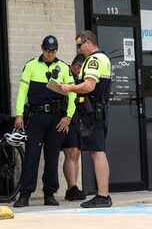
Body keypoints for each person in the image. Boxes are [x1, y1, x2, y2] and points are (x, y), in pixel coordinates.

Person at [12, 35, 75, 208]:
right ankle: (25, 194)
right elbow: (22, 91)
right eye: (48, 50)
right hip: (37, 117)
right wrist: (19, 114)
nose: (50, 54)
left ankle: (50, 193)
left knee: (52, 156)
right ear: (42, 48)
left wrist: (68, 117)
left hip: (56, 118)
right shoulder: (31, 65)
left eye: (54, 51)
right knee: (31, 154)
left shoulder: (63, 67)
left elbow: (72, 94)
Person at [59, 30, 113, 208]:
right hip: (96, 112)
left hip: (93, 113)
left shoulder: (94, 60)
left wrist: (69, 88)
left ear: (88, 42)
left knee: (97, 152)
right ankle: (103, 194)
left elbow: (89, 86)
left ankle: (103, 195)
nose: (79, 49)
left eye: (79, 45)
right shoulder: (102, 59)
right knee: (98, 151)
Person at [60, 52, 87, 202]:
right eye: (80, 70)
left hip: (77, 119)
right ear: (76, 66)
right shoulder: (64, 72)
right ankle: (71, 188)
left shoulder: (79, 79)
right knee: (70, 152)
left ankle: (74, 187)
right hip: (66, 118)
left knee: (76, 153)